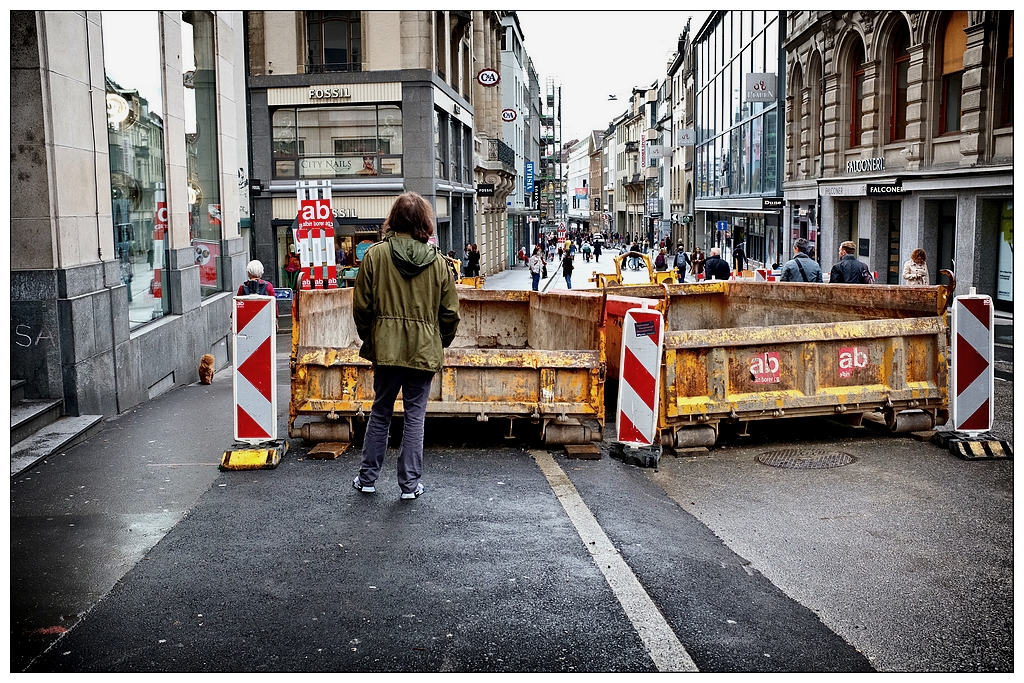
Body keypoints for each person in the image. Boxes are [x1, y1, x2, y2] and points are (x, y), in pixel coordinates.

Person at [352, 191, 460, 500]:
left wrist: (372, 337)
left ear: (393, 219)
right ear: (424, 222)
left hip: (386, 350)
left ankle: (368, 478)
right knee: (415, 415)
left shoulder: (374, 256)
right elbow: (450, 313)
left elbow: (362, 307)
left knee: (381, 411)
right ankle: (410, 485)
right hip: (424, 348)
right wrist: (438, 341)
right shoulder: (439, 263)